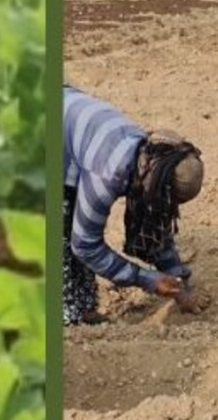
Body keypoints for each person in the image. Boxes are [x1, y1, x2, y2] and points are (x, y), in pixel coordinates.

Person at [61, 85, 206, 327]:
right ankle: (71, 319)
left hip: (67, 123)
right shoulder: (106, 172)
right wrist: (147, 279)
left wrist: (180, 283)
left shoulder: (148, 157)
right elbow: (85, 245)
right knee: (62, 234)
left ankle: (82, 307)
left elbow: (156, 219)